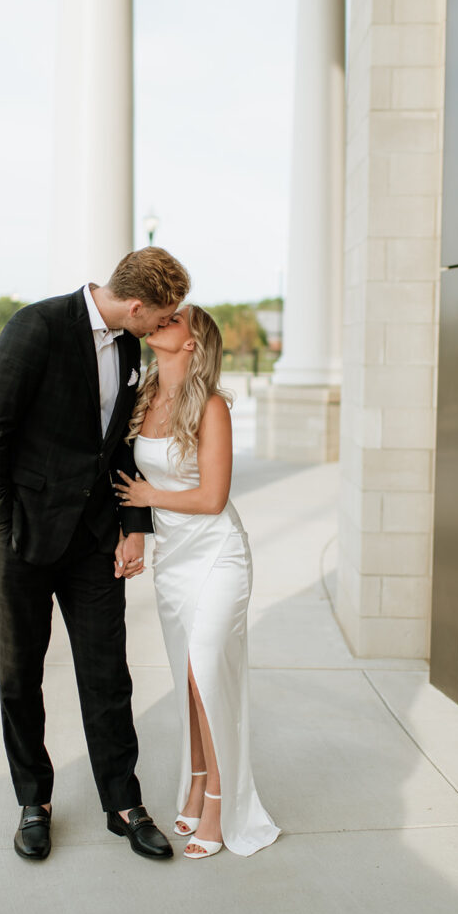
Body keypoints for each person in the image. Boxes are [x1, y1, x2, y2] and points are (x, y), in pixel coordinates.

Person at [0, 248, 190, 861]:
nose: (163, 327)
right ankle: (33, 801)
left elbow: (118, 450)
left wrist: (134, 525)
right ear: (137, 305)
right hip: (24, 538)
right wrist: (0, 521)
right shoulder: (35, 327)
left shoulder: (129, 348)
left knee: (108, 676)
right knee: (20, 677)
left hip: (94, 542)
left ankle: (123, 802)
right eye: (162, 316)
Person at [114, 305, 280, 860]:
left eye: (175, 320)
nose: (163, 321)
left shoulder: (210, 407)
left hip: (217, 555)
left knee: (206, 669)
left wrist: (149, 498)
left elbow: (212, 498)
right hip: (173, 562)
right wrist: (131, 530)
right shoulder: (143, 396)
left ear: (192, 343)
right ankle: (195, 778)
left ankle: (219, 799)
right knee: (188, 679)